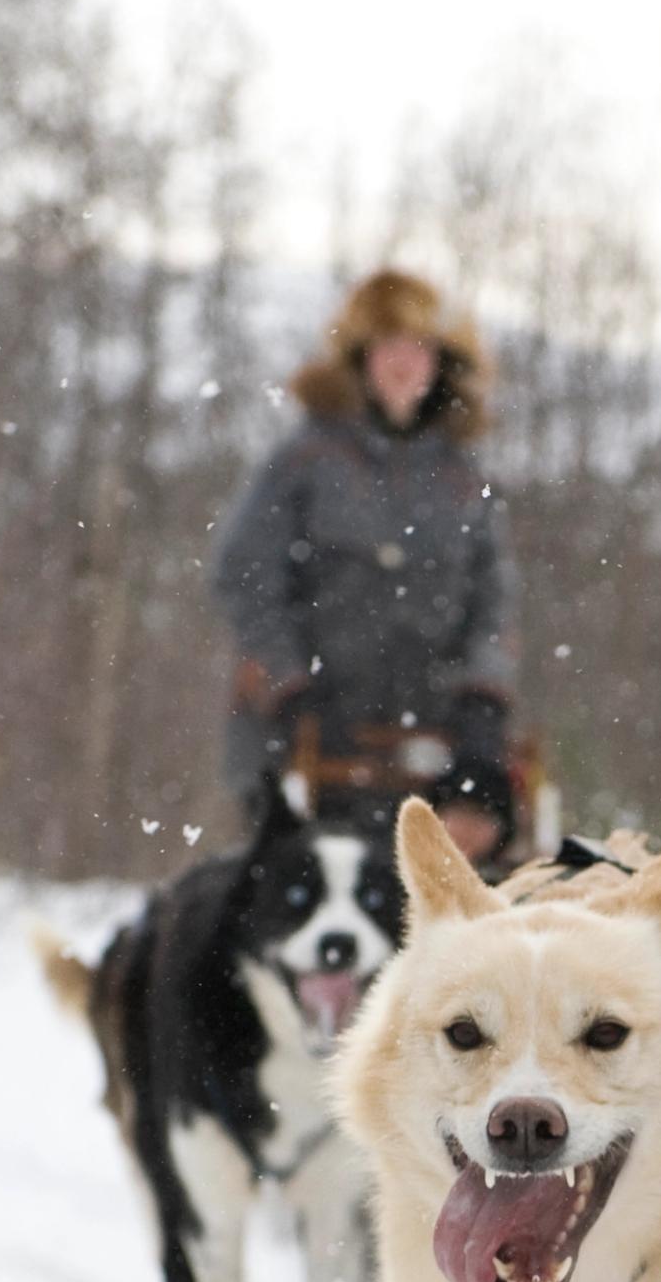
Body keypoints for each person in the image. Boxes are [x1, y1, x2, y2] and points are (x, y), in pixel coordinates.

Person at [214, 270, 519, 865]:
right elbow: (245, 575)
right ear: (362, 359)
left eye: (419, 347)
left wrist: (483, 705)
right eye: (389, 346)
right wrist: (292, 688)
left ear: (440, 363)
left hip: (431, 743)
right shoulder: (304, 461)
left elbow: (495, 602)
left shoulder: (464, 479)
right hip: (307, 740)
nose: (404, 363)